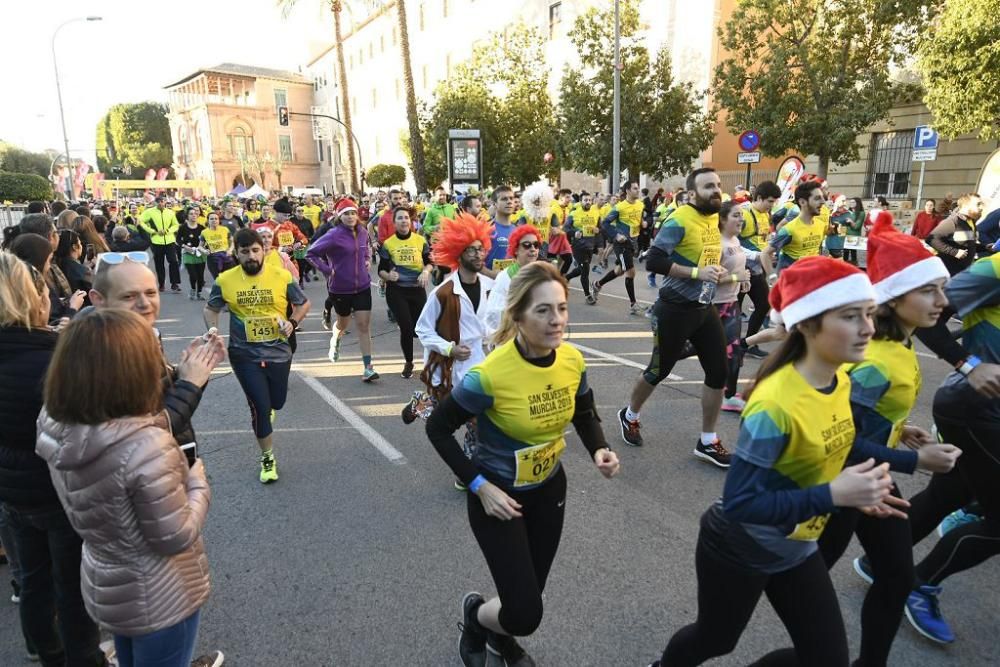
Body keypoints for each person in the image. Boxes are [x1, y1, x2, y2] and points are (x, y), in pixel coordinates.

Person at [649, 256, 900, 667]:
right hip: (739, 545)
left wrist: (904, 463)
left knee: (826, 660)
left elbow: (838, 445)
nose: (868, 328)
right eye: (852, 316)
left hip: (796, 545)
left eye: (870, 315)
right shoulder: (774, 404)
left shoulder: (838, 378)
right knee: (715, 639)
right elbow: (742, 504)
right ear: (807, 323)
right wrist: (834, 493)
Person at [427, 262, 619, 667]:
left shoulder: (571, 360)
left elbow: (584, 412)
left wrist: (599, 448)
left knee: (530, 593)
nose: (557, 321)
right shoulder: (489, 376)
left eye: (562, 308)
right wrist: (480, 486)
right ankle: (477, 618)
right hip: (498, 498)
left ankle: (502, 642)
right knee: (526, 611)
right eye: (543, 311)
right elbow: (438, 429)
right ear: (518, 315)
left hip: (550, 490)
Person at [800, 218, 960, 665]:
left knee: (895, 577)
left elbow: (863, 420)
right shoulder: (877, 361)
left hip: (873, 477)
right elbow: (842, 440)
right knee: (806, 612)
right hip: (839, 487)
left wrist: (897, 428)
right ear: (893, 297)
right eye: (928, 291)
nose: (942, 302)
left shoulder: (897, 345)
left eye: (941, 290)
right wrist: (918, 461)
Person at [36, 309, 218, 667]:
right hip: (162, 591)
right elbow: (175, 535)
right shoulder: (145, 448)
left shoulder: (56, 426)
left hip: (109, 581)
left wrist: (184, 378)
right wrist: (197, 481)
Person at [886, 245, 1000, 644]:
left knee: (953, 490)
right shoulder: (993, 270)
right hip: (975, 408)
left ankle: (884, 564)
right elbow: (930, 321)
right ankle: (919, 584)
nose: (937, 298)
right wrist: (969, 365)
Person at [0, 253, 107, 666]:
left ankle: (45, 650)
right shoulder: (50, 359)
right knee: (71, 584)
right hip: (57, 489)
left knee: (32, 577)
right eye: (43, 288)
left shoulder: (39, 349)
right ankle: (83, 657)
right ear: (29, 298)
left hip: (13, 489)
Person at [618, 168, 731, 466]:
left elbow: (707, 258)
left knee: (719, 372)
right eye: (709, 186)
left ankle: (707, 441)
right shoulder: (679, 219)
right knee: (659, 370)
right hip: (674, 309)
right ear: (692, 194)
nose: (716, 190)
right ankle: (630, 414)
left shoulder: (712, 219)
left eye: (718, 185)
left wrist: (727, 273)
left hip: (704, 309)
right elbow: (653, 260)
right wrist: (697, 273)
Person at [205, 229, 310, 483]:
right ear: (236, 254)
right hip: (243, 354)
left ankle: (268, 408)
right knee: (260, 409)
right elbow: (211, 308)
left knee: (278, 402)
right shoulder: (225, 280)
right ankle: (267, 457)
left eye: (255, 250)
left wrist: (292, 323)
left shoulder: (281, 276)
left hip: (279, 350)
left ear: (263, 250)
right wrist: (212, 329)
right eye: (244, 252)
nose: (250, 256)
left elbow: (303, 303)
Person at [307, 198, 379, 381]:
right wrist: (327, 270)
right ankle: (336, 338)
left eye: (353, 213)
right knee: (343, 324)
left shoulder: (362, 232)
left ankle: (368, 367)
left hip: (362, 286)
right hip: (340, 289)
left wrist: (367, 258)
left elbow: (366, 248)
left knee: (363, 325)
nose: (350, 216)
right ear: (339, 216)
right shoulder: (333, 235)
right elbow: (311, 253)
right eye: (346, 213)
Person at [378, 205, 432, 378]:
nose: (404, 221)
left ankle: (431, 362)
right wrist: (388, 275)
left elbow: (430, 262)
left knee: (422, 329)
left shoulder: (420, 240)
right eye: (400, 218)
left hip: (417, 289)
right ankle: (409, 362)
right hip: (397, 291)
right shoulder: (388, 244)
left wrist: (426, 272)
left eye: (406, 218)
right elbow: (381, 269)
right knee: (407, 328)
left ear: (411, 221)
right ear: (394, 223)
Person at [738, 180, 781, 355]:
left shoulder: (764, 214)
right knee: (733, 311)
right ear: (760, 197)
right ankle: (729, 346)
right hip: (741, 270)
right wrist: (758, 253)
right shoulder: (744, 213)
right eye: (770, 201)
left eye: (774, 202)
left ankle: (748, 344)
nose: (772, 205)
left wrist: (770, 249)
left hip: (757, 269)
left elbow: (763, 238)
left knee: (764, 305)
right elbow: (734, 240)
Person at [594, 180, 646, 315]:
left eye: (638, 188)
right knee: (631, 272)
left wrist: (643, 223)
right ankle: (633, 304)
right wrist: (616, 235)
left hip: (632, 242)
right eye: (635, 188)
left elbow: (638, 219)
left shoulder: (640, 204)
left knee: (619, 271)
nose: (638, 190)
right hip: (621, 244)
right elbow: (605, 224)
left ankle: (597, 284)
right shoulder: (619, 207)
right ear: (628, 191)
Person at [484, 225, 542, 332]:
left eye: (536, 245)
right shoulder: (504, 277)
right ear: (515, 250)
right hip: (511, 340)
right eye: (527, 245)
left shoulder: (543, 275)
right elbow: (492, 315)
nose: (533, 249)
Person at [770, 180, 827, 270]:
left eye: (823, 198)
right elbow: (765, 253)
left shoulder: (821, 225)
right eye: (817, 198)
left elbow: (816, 251)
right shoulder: (789, 229)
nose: (823, 202)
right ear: (802, 202)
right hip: (792, 280)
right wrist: (772, 277)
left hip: (812, 278)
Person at [927, 193, 985, 275]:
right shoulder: (953, 221)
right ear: (966, 205)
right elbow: (931, 239)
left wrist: (986, 247)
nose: (981, 208)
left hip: (962, 271)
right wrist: (954, 252)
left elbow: (968, 244)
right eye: (978, 204)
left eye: (981, 204)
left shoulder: (970, 221)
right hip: (949, 273)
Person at [563, 193, 601, 304]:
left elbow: (600, 228)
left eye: (589, 200)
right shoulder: (574, 213)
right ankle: (587, 295)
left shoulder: (595, 213)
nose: (588, 202)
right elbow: (566, 228)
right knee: (585, 270)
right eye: (585, 200)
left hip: (590, 246)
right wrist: (575, 233)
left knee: (582, 268)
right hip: (578, 247)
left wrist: (598, 231)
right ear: (580, 202)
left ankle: (567, 277)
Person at [139, 196, 182, 292]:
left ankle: (174, 283)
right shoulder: (149, 212)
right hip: (156, 241)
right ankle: (161, 283)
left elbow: (175, 225)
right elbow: (141, 222)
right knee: (159, 263)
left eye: (162, 201)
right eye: (158, 202)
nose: (160, 203)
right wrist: (152, 231)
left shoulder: (170, 212)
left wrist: (168, 231)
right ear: (155, 203)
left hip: (169, 240)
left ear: (165, 202)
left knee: (173, 261)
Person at [177, 210, 208, 300]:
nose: (194, 215)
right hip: (188, 253)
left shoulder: (201, 228)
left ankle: (199, 293)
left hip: (200, 253)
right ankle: (193, 289)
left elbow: (206, 240)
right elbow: (178, 239)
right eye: (191, 214)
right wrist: (184, 246)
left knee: (200, 276)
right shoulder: (183, 227)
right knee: (193, 275)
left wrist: (204, 248)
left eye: (195, 214)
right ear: (187, 216)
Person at [54, 229, 93, 294]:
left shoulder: (58, 265)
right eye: (80, 243)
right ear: (75, 247)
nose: (81, 246)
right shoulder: (79, 271)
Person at [200, 211, 232, 280]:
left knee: (229, 279)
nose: (214, 220)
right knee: (218, 280)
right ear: (208, 221)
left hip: (226, 256)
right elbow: (200, 246)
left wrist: (230, 250)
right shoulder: (204, 232)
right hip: (213, 258)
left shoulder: (225, 229)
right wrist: (204, 251)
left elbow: (232, 242)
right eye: (211, 219)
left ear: (218, 220)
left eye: (216, 218)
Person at [845, 197, 867, 265]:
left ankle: (854, 267)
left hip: (854, 237)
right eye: (850, 202)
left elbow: (857, 227)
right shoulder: (847, 212)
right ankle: (844, 268)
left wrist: (851, 221)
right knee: (845, 253)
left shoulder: (861, 213)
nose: (851, 203)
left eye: (853, 202)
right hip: (845, 236)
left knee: (853, 253)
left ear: (857, 203)